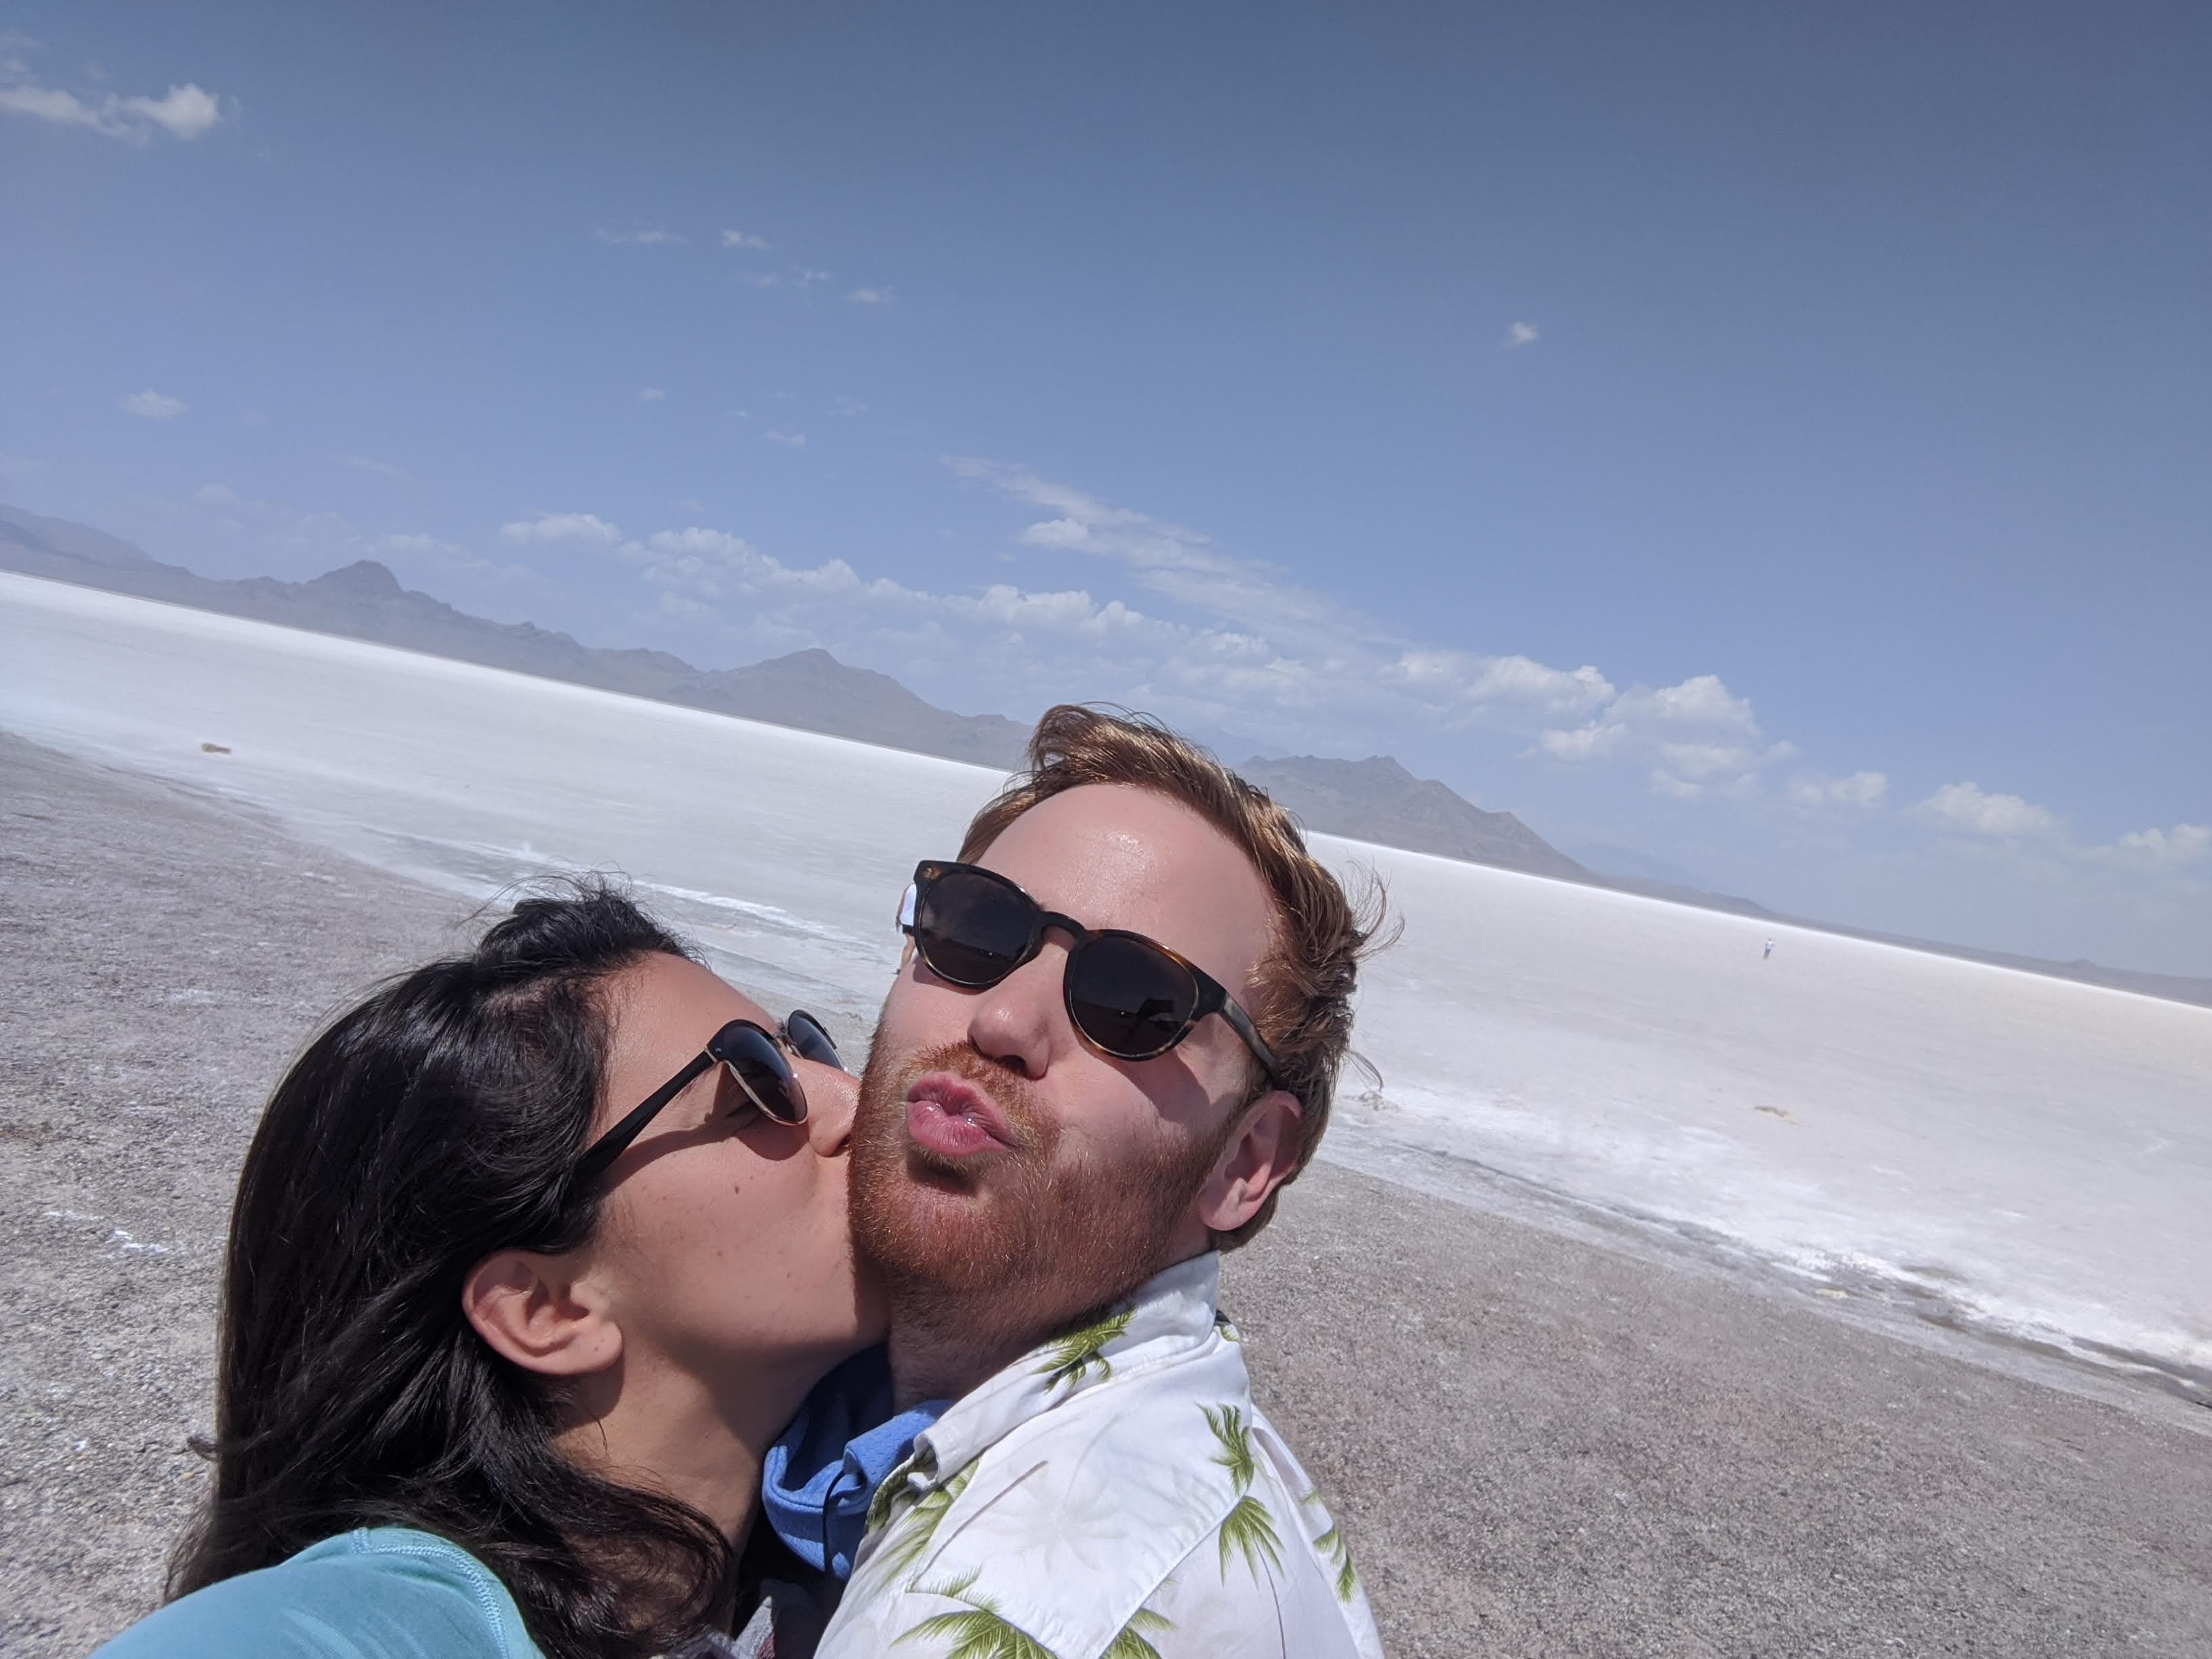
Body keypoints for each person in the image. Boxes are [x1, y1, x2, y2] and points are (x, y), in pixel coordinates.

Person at [95, 883, 880, 1659]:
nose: (854, 1098)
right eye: (754, 1090)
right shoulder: (371, 1626)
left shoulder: (862, 1557)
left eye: (807, 1048)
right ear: (546, 1309)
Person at [816, 705, 1389, 1659]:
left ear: (1245, 1162)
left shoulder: (1004, 1612)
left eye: (1132, 1001)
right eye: (973, 929)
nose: (1000, 1020)